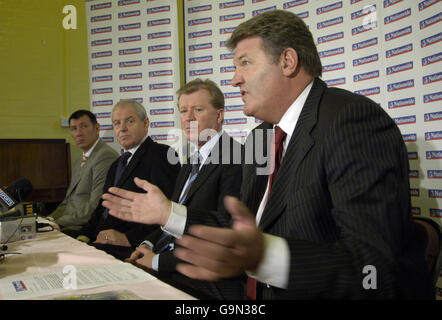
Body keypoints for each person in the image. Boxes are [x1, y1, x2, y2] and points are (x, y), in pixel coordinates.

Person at [103, 10, 433, 299]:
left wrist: (264, 258)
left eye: (245, 63)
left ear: (287, 61)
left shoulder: (351, 121)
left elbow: (373, 270)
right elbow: (243, 224)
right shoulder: (262, 136)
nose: (234, 79)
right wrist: (168, 213)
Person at [103, 79, 245, 299]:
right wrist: (147, 244)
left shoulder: (236, 158)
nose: (188, 118)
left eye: (198, 110)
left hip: (204, 280)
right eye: (183, 111)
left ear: (219, 115)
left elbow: (224, 236)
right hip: (168, 263)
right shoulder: (190, 162)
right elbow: (170, 217)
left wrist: (159, 262)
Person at [76, 99, 180, 260]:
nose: (122, 128)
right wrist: (84, 236)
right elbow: (102, 207)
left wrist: (128, 238)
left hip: (130, 247)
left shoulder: (162, 155)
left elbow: (168, 212)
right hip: (99, 241)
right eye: (117, 123)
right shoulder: (117, 163)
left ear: (145, 123)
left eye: (129, 121)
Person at [47, 110, 119, 237]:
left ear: (97, 128)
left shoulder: (105, 156)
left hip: (83, 228)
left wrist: (57, 223)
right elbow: (67, 201)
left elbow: (95, 205)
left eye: (84, 126)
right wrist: (48, 220)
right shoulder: (80, 160)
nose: (79, 133)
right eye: (74, 128)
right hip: (67, 223)